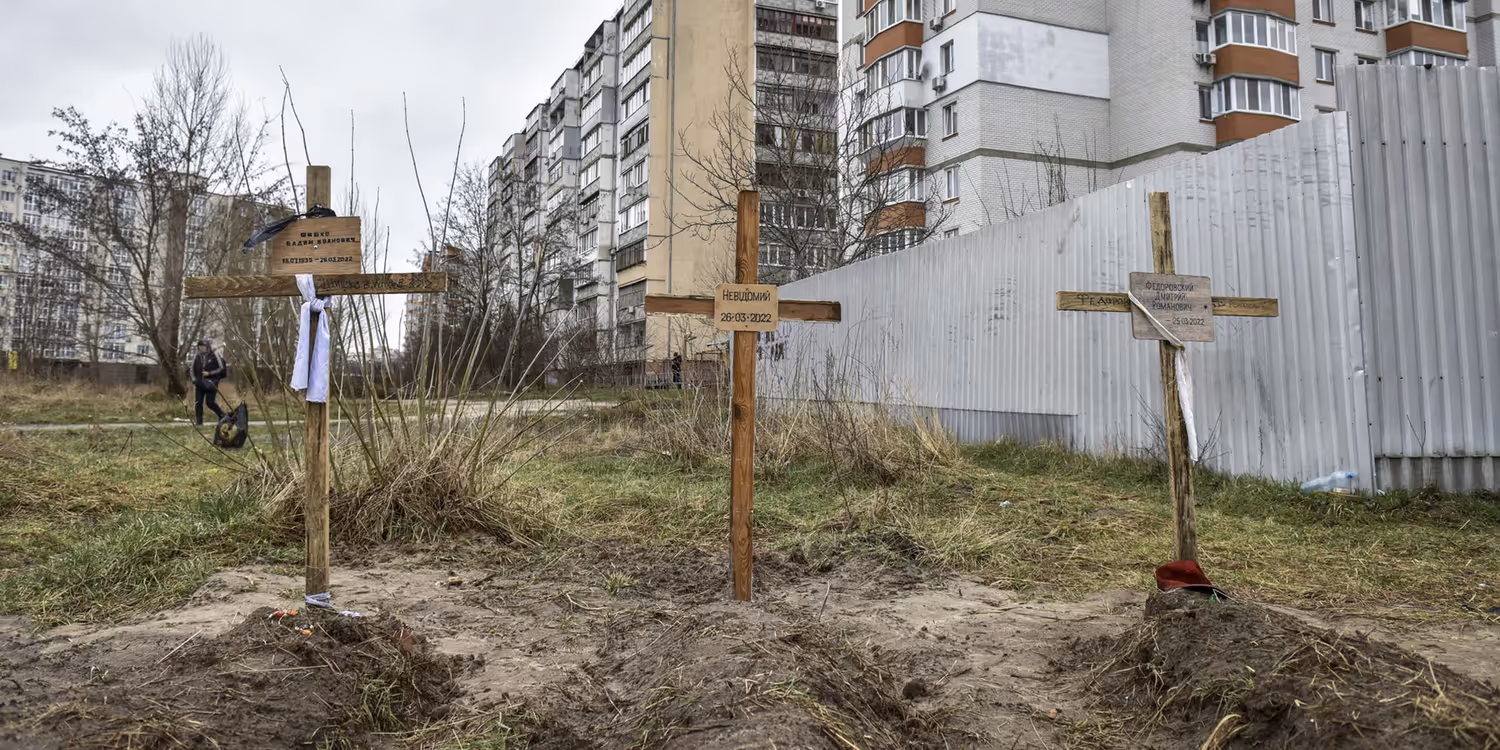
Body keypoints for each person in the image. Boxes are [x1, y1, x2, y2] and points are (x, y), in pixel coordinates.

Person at [190, 340, 227, 426]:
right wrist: (194, 379)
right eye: (200, 347)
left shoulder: (214, 355)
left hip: (211, 383)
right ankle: (199, 423)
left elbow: (221, 368)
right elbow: (192, 369)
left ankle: (223, 416)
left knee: (210, 402)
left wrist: (210, 373)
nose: (202, 348)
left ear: (207, 347)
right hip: (199, 383)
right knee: (198, 403)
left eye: (203, 347)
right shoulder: (197, 356)